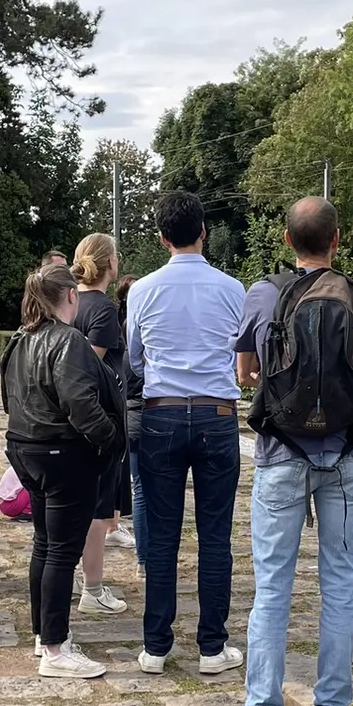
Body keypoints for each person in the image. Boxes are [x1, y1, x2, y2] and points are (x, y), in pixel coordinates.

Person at [215, 197, 353, 706]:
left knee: (273, 587)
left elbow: (244, 373)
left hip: (281, 452)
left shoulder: (263, 294)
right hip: (345, 459)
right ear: (338, 239)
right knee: (339, 584)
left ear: (286, 240)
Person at [125, 191, 247, 676]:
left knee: (161, 535)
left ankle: (156, 645)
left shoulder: (143, 290)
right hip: (217, 415)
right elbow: (243, 352)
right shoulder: (232, 288)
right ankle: (212, 646)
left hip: (162, 412)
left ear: (161, 238)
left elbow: (135, 358)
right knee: (215, 537)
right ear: (204, 232)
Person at [2, 263, 123, 678]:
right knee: (60, 551)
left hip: (26, 446)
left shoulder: (21, 338)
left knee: (44, 542)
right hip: (61, 451)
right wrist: (112, 440)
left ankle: (44, 634)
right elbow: (80, 403)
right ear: (71, 295)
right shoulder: (67, 340)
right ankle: (55, 648)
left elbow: (9, 394)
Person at [70, 233, 133, 615]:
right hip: (98, 417)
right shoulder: (104, 310)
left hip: (66, 415)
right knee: (97, 509)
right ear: (111, 264)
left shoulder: (67, 302)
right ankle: (92, 587)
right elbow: (87, 366)